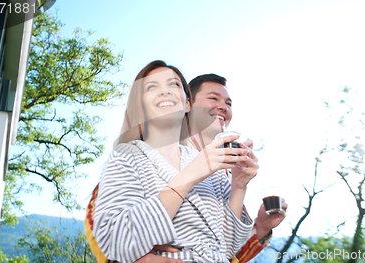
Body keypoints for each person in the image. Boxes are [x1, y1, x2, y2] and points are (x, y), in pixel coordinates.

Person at [86, 61, 255, 263]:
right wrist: (188, 177)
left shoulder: (213, 168)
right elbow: (116, 241)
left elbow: (226, 249)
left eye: (173, 84)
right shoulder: (127, 157)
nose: (165, 91)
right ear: (140, 105)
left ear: (187, 103)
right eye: (152, 86)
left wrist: (238, 185)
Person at [138, 74, 287, 263]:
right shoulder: (154, 149)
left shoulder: (223, 171)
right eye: (213, 98)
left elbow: (224, 249)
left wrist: (241, 189)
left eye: (229, 103)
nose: (224, 107)